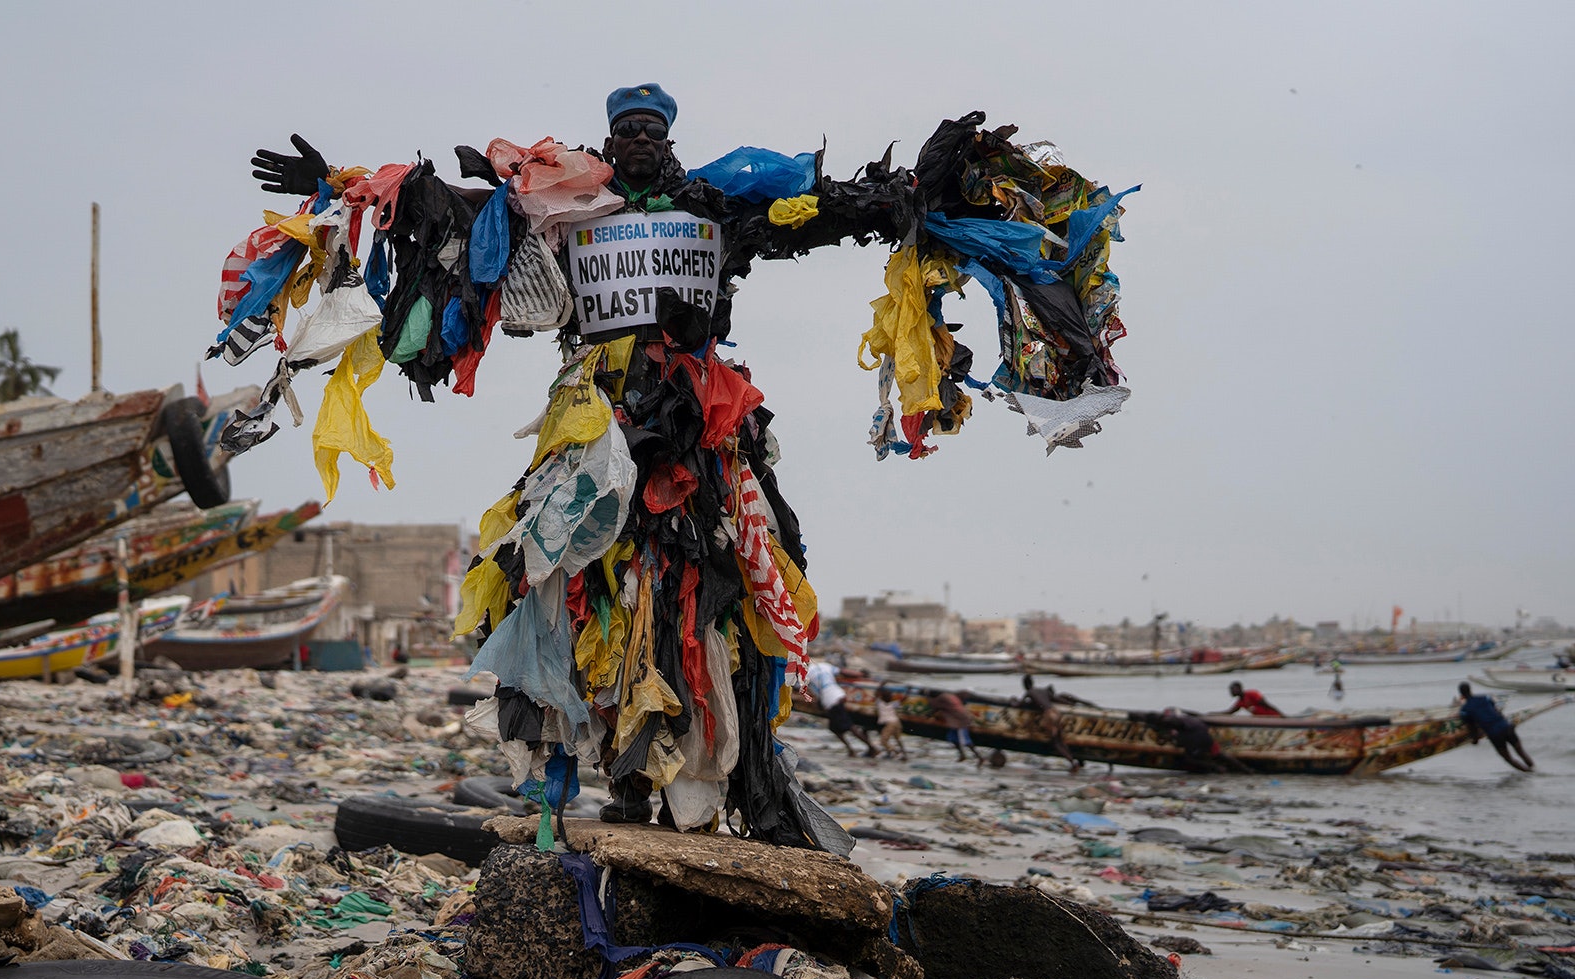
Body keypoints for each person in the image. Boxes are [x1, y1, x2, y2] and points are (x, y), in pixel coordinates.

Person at [234, 88, 1132, 847]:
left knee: (714, 583)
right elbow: (447, 215)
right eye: (626, 129)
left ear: (669, 141)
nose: (638, 143)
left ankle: (712, 777)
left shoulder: (715, 210)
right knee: (569, 587)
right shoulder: (556, 210)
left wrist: (913, 193)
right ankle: (615, 784)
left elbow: (824, 212)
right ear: (608, 137)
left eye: (653, 131)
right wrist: (345, 186)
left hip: (702, 425)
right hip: (592, 425)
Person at [807, 656, 877, 758]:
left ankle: (872, 748)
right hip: (838, 695)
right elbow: (844, 672)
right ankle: (852, 750)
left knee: (849, 727)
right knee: (835, 728)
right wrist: (861, 674)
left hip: (831, 701)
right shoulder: (824, 666)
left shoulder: (806, 675)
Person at [1456, 682, 1535, 772]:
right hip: (1506, 726)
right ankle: (1534, 769)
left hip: (1495, 734)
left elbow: (1472, 727)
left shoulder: (1465, 710)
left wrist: (1475, 740)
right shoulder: (1485, 698)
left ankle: (1528, 773)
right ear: (1471, 690)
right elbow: (1496, 710)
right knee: (1520, 751)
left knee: (1508, 758)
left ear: (1461, 694)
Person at [1020, 674, 1092, 771]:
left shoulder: (1029, 692)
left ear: (1025, 685)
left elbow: (1019, 704)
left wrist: (1013, 701)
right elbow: (1057, 699)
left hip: (1048, 715)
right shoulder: (1043, 691)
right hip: (1056, 712)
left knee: (1055, 742)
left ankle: (1072, 763)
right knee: (1060, 739)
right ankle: (1073, 760)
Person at [1159, 708, 1251, 773]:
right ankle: (1245, 769)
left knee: (1189, 759)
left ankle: (1216, 767)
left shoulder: (1176, 721)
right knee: (1218, 754)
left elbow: (1174, 728)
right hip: (1206, 736)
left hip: (1196, 739)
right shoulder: (1190, 718)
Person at [927, 690, 987, 765]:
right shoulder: (948, 696)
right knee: (952, 738)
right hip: (954, 722)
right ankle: (962, 755)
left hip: (960, 721)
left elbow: (935, 706)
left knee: (965, 740)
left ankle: (979, 757)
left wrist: (927, 713)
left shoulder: (942, 698)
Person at [873, 687, 909, 760]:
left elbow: (876, 693)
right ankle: (904, 753)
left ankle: (896, 752)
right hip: (897, 722)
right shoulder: (893, 704)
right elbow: (904, 699)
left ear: (881, 697)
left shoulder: (880, 703)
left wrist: (882, 684)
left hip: (890, 724)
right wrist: (908, 691)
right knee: (898, 739)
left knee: (883, 741)